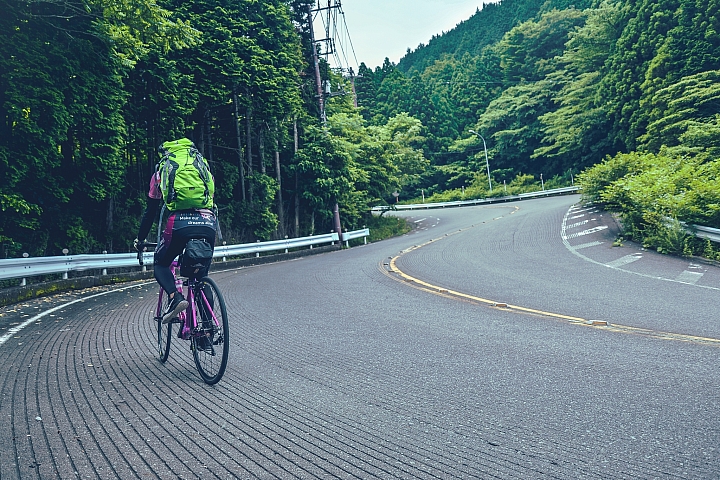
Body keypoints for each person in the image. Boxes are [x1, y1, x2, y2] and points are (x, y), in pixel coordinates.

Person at [134, 138, 217, 324]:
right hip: (208, 223)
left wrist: (140, 239)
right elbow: (210, 198)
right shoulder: (202, 169)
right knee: (201, 277)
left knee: (161, 264)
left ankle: (174, 297)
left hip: (179, 224)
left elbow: (150, 212)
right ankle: (207, 331)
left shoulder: (161, 173)